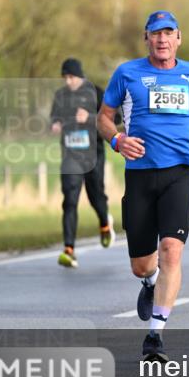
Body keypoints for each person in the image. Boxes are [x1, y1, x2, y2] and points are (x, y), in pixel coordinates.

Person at [98, 10, 189, 362]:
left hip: (180, 172)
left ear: (179, 38)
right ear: (146, 38)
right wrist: (117, 140)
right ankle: (149, 283)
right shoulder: (127, 73)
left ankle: (155, 335)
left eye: (168, 33)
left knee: (171, 251)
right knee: (142, 265)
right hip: (140, 174)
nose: (162, 39)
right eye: (155, 33)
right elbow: (104, 118)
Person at [50, 58, 114, 268]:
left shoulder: (96, 92)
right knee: (70, 199)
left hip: (93, 154)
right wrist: (55, 124)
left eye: (71, 77)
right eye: (65, 77)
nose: (68, 81)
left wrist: (89, 117)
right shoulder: (61, 96)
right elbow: (54, 117)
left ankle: (105, 224)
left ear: (80, 75)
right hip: (71, 156)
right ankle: (69, 250)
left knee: (96, 196)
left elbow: (115, 120)